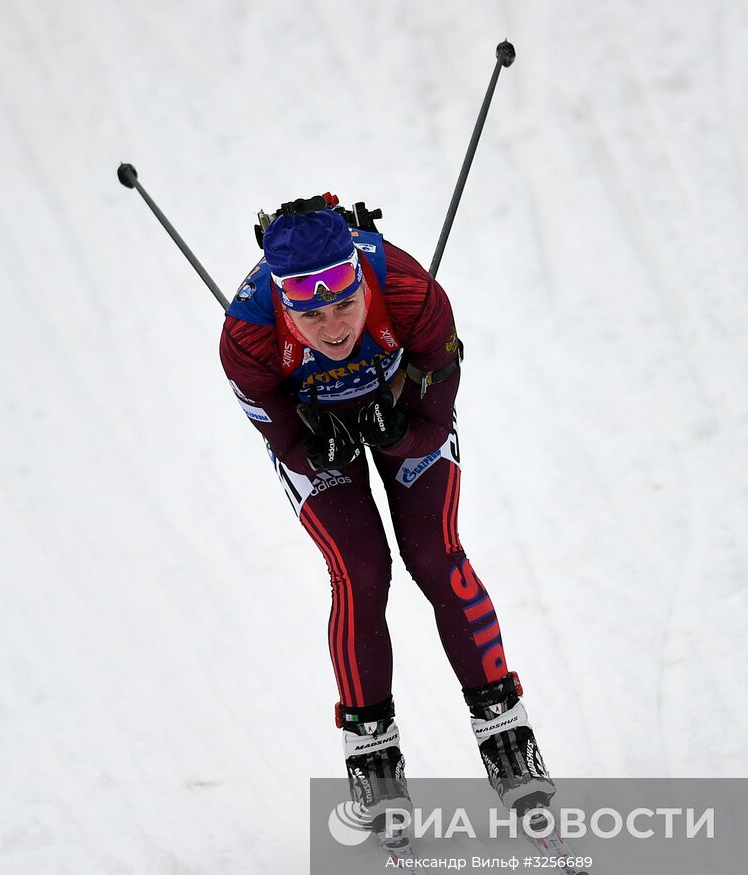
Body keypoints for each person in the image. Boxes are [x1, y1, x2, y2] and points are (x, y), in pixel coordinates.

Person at [219, 197, 553, 830]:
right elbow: (282, 438)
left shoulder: (409, 291)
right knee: (362, 573)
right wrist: (315, 446)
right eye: (311, 313)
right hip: (319, 436)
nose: (334, 327)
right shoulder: (247, 336)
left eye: (345, 303)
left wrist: (397, 430)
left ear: (361, 280)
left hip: (406, 413)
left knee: (436, 556)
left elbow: (436, 413)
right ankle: (373, 761)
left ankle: (508, 741)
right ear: (284, 303)